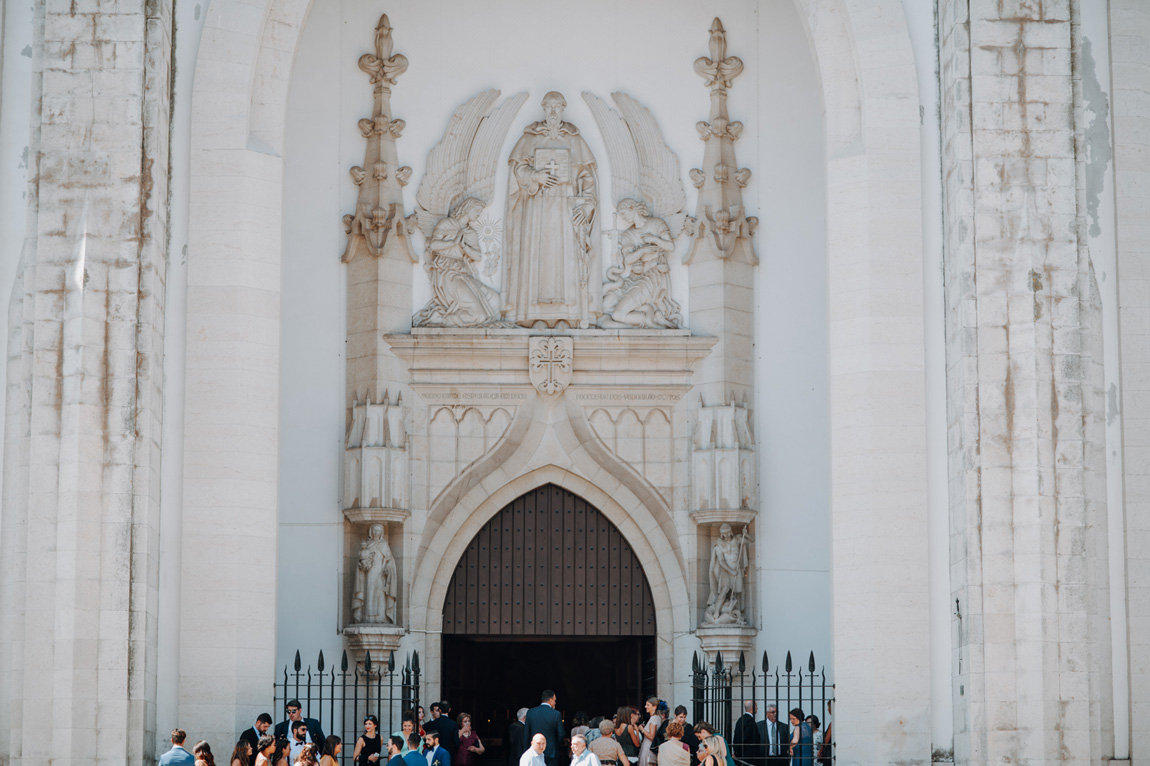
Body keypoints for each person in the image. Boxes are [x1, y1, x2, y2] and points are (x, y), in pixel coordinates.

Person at [503, 91, 600, 328]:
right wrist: (534, 175)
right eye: (550, 107)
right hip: (537, 207)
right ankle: (532, 313)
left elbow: (588, 178)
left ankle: (568, 313)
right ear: (544, 109)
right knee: (536, 254)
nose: (554, 112)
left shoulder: (575, 139)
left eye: (558, 107)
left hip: (567, 208)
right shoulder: (530, 137)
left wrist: (586, 204)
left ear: (563, 108)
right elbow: (518, 171)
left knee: (566, 257)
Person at [525, 690, 565, 766]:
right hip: (551, 752)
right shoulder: (556, 714)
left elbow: (526, 734)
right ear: (551, 700)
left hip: (534, 750)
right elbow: (561, 734)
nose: (555, 703)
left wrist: (526, 750)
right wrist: (559, 744)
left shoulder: (531, 712)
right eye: (554, 700)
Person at [637, 698, 662, 766]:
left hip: (648, 748)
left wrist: (641, 729)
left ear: (654, 707)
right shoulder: (658, 717)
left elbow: (651, 736)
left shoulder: (654, 718)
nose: (645, 706)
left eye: (648, 705)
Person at [817, 701, 831, 766]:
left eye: (829, 707)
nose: (828, 709)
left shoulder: (832, 723)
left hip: (829, 752)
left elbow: (826, 740)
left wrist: (820, 751)